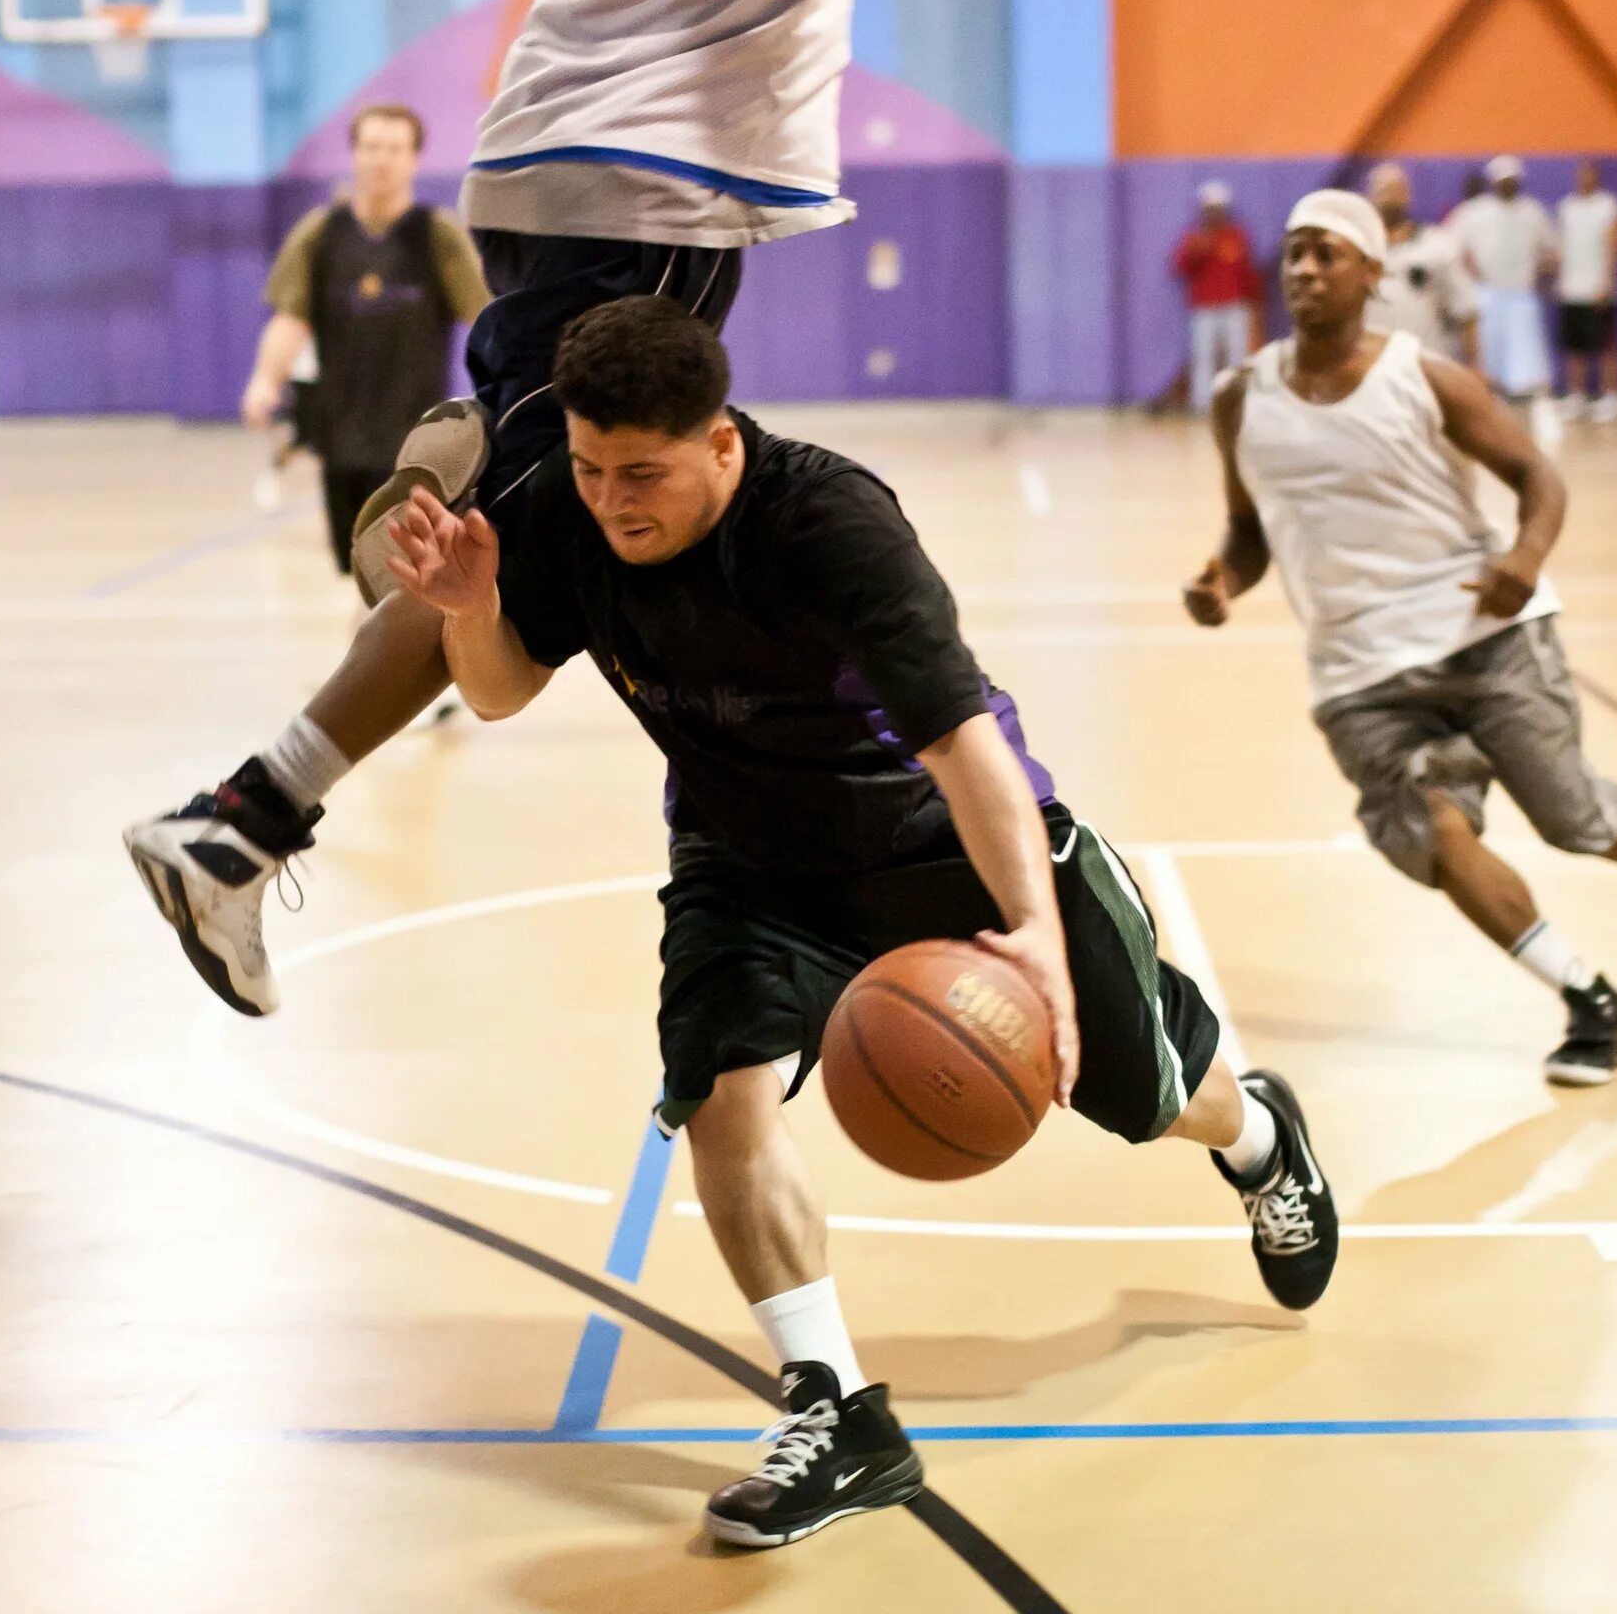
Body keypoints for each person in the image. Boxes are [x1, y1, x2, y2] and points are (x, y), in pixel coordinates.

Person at [124, 0, 1316, 1009]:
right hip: (646, 192)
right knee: (522, 548)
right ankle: (241, 823)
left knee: (522, 527)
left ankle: (352, 653)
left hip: (544, 169)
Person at [384, 298, 1339, 1547]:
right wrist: (471, 602)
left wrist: (1037, 940)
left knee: (1146, 1091)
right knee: (719, 1084)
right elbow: (500, 692)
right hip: (743, 853)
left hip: (930, 835)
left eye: (644, 473)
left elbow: (963, 747)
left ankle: (1262, 1136)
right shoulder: (565, 517)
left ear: (721, 443)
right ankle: (838, 1410)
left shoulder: (831, 525)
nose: (614, 499)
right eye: (589, 465)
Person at [1183, 191, 1617, 1084]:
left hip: (1481, 634)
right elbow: (1249, 527)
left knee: (1575, 821)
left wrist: (1528, 554)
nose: (1303, 269)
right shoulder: (1240, 399)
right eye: (1294, 252)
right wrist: (1223, 577)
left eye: (1327, 253)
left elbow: (1538, 474)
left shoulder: (1427, 378)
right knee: (1436, 836)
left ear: (1373, 273)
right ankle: (1589, 1001)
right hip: (1358, 674)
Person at [240, 106, 491, 576]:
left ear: (414, 159)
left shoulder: (437, 236)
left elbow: (484, 316)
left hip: (414, 444)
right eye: (372, 148)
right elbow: (290, 319)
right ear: (355, 155)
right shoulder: (320, 234)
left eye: (395, 149)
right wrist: (265, 380)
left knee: (405, 574)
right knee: (354, 569)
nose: (382, 160)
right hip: (342, 437)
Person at [1449, 155, 1560, 433]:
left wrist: (1544, 272)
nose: (1507, 185)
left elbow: (1552, 250)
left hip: (1521, 293)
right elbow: (1450, 247)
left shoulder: (1533, 212)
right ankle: (1490, 402)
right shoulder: (1474, 212)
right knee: (1489, 353)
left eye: (1511, 181)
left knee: (1528, 356)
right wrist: (1470, 270)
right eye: (1502, 181)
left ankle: (1537, 408)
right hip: (1487, 293)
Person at [1363, 162, 1477, 362]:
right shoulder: (1357, 251)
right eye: (1383, 191)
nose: (1390, 198)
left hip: (1426, 365)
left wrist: (1475, 365)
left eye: (1396, 190)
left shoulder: (1438, 246)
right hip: (1369, 366)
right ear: (1370, 196)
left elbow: (1466, 311)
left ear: (1408, 195)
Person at [1171, 179, 1262, 413]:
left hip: (1234, 306)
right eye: (1210, 209)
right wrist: (1199, 247)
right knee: (1203, 357)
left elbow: (1246, 271)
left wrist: (1251, 300)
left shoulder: (1236, 235)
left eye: (1218, 209)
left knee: (1237, 355)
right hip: (1204, 307)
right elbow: (1180, 267)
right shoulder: (1193, 237)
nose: (1214, 213)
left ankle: (1238, 402)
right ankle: (1201, 404)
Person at [1553, 160, 1617, 422]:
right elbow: (1562, 244)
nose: (1584, 179)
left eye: (1589, 174)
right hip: (1571, 287)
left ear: (1597, 177)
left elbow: (1615, 243)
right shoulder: (1567, 207)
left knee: (1605, 344)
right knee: (1574, 346)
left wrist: (1607, 282)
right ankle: (1576, 396)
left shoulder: (1609, 206)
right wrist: (1559, 277)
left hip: (1598, 288)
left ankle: (1611, 397)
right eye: (1580, 174)